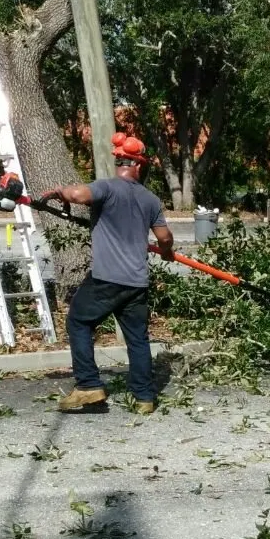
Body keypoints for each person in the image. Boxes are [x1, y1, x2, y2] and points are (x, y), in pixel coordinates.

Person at [49, 133, 174, 414]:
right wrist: (166, 251)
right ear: (140, 166)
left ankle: (88, 386)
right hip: (136, 282)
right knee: (138, 339)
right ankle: (144, 398)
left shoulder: (106, 187)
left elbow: (79, 194)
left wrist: (62, 192)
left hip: (106, 279)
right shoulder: (151, 200)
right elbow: (164, 237)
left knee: (79, 322)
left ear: (120, 163)